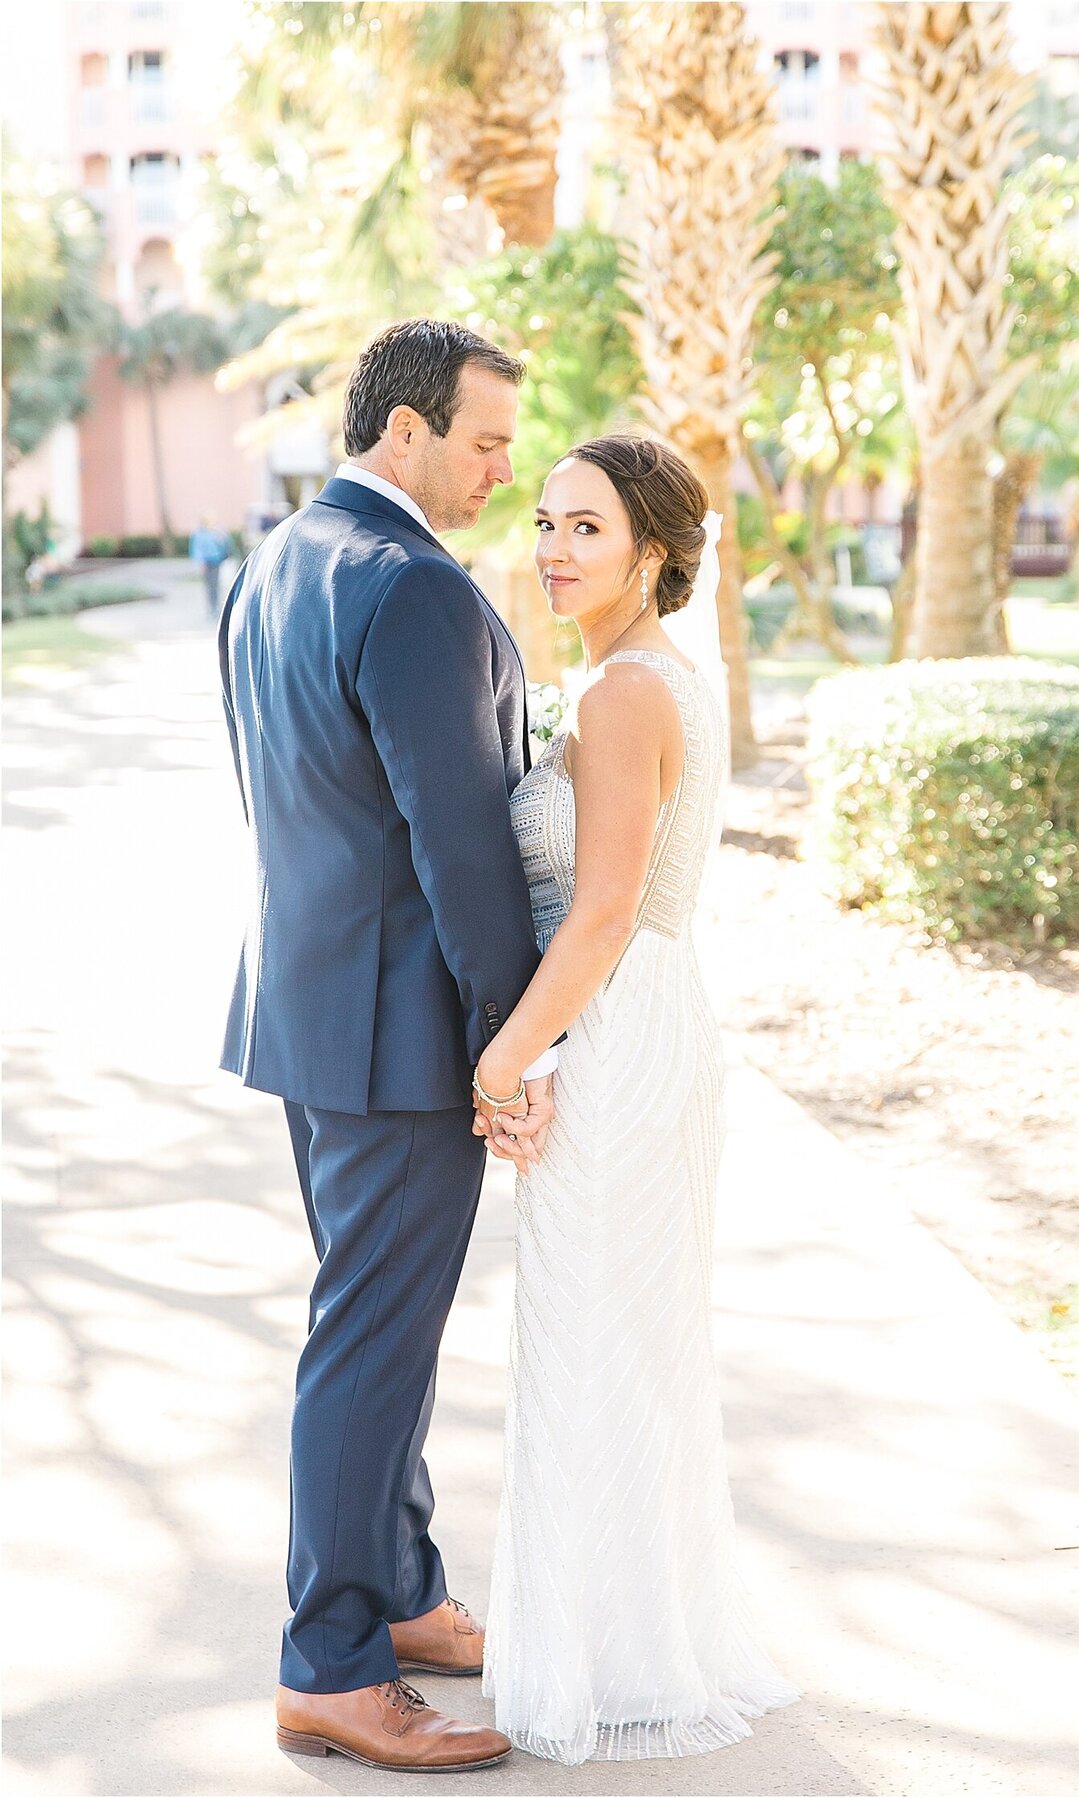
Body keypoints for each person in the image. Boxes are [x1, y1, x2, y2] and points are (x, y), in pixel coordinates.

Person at [217, 320, 559, 1773]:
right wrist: (509, 1046)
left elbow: (277, 796)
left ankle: (404, 1588)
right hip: (404, 1035)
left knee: (384, 1327)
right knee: (368, 1339)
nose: (502, 471)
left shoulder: (274, 563)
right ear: (405, 431)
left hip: (306, 1016)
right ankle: (332, 1660)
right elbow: (462, 849)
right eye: (484, 442)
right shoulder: (416, 587)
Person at [473, 435, 800, 1763]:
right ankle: (626, 1636)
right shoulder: (659, 672)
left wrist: (505, 1062)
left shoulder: (619, 694)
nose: (552, 546)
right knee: (626, 1337)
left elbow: (603, 907)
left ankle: (608, 1663)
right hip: (656, 1017)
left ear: (650, 554)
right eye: (547, 520)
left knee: (592, 1334)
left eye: (585, 529)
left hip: (614, 1033)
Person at [190, 515, 232, 618]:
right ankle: (211, 607)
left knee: (216, 584)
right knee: (209, 586)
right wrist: (200, 562)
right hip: (205, 563)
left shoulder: (216, 532)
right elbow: (196, 549)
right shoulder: (199, 533)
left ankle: (216, 607)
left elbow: (226, 545)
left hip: (216, 560)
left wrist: (222, 535)